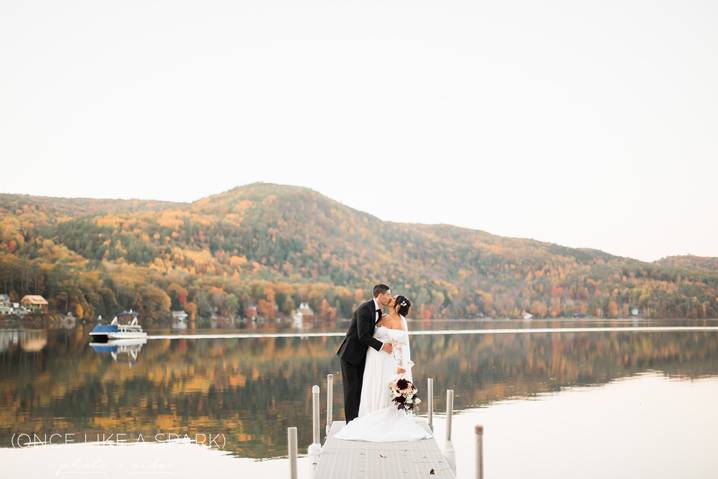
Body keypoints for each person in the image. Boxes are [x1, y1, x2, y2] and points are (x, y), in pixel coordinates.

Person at [334, 295, 432, 442]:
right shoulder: (382, 316)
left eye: (393, 299)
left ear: (397, 306)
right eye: (390, 297)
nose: (390, 299)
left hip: (386, 361)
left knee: (382, 386)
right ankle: (368, 413)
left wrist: (400, 365)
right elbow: (366, 335)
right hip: (373, 360)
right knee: (371, 384)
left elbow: (400, 346)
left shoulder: (399, 322)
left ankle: (383, 414)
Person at [336, 284, 394, 423]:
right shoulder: (365, 309)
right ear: (380, 295)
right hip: (350, 355)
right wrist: (382, 346)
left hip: (363, 356)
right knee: (351, 391)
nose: (390, 297)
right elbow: (363, 336)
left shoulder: (378, 311)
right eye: (388, 294)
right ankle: (350, 423)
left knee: (360, 389)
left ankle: (358, 420)